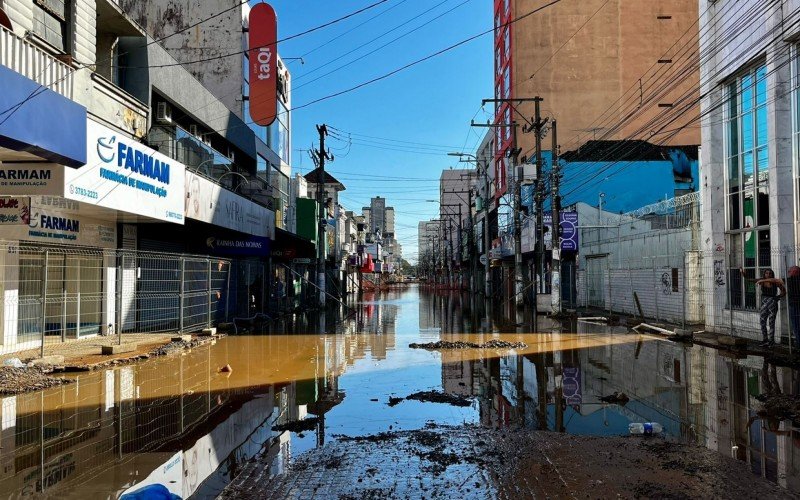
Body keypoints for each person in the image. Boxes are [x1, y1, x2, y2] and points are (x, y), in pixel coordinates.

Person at [742, 267, 786, 347]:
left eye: (770, 273)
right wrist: (744, 275)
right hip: (764, 302)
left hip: (772, 302)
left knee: (771, 323)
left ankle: (771, 341)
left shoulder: (775, 282)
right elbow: (750, 280)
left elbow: (784, 291)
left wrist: (777, 297)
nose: (768, 275)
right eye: (766, 273)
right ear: (764, 274)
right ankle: (765, 339)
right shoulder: (762, 281)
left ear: (772, 274)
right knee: (762, 322)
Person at [786, 266, 800, 349]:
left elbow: (776, 280)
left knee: (796, 325)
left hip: (794, 305)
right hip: (795, 304)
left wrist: (763, 280)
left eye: (790, 271)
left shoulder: (790, 280)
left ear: (794, 272)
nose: (788, 272)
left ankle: (798, 344)